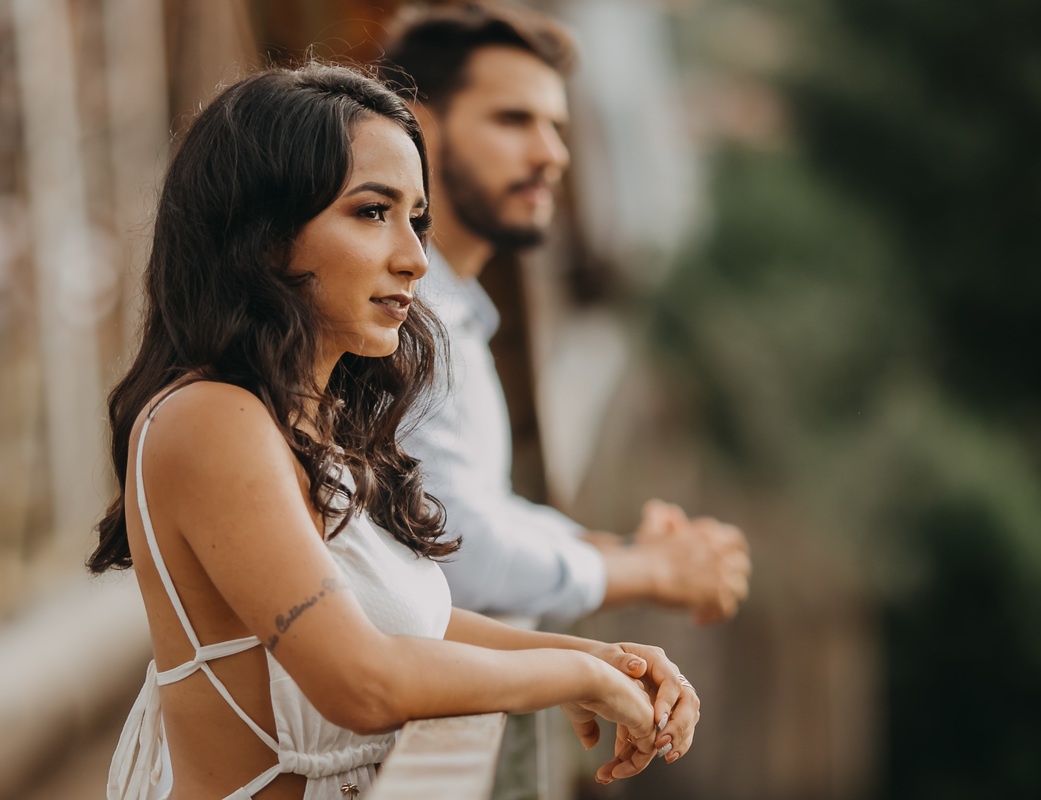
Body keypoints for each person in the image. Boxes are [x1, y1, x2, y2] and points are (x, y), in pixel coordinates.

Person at [88, 63, 698, 800]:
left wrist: (601, 656)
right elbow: (362, 681)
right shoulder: (210, 419)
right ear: (264, 230)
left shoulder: (318, 422)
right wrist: (572, 676)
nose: (413, 258)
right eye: (373, 212)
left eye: (417, 219)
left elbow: (420, 627)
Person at [379, 1, 752, 624]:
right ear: (417, 126)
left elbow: (482, 508)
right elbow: (452, 553)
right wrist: (650, 571)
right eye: (513, 120)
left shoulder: (452, 308)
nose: (552, 154)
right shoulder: (400, 313)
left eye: (556, 126)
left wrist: (615, 549)